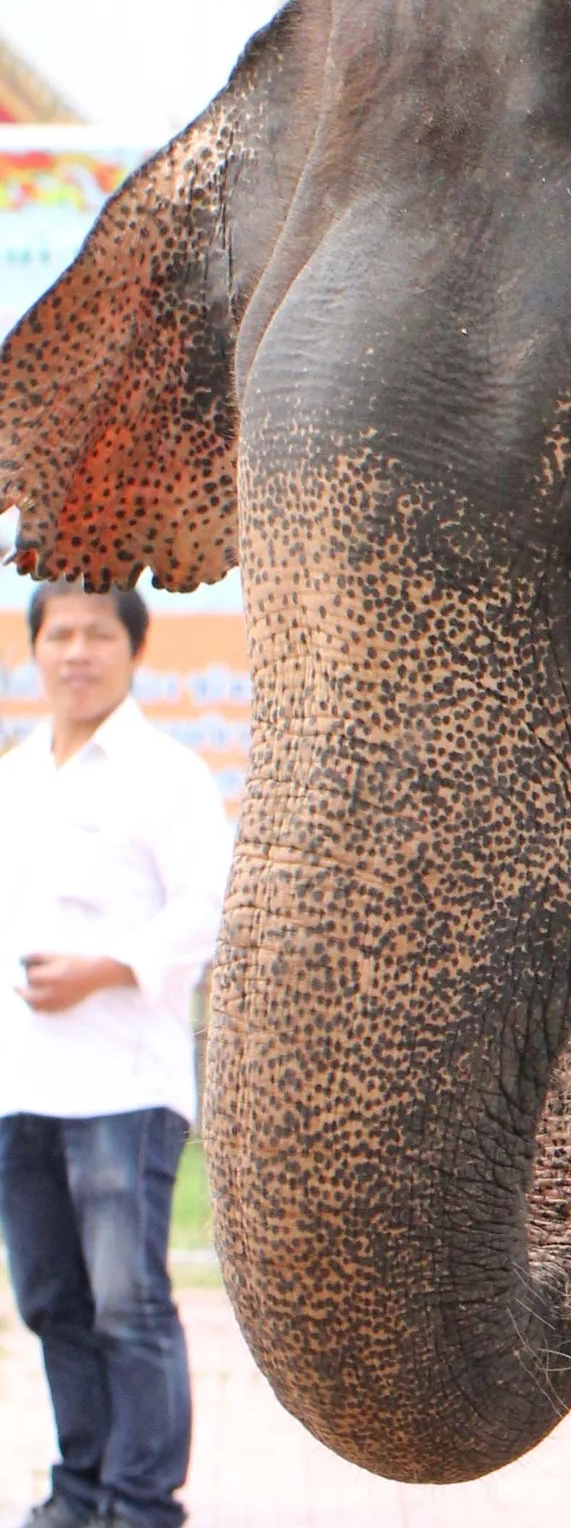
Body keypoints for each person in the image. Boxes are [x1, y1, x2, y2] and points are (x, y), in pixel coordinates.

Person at [0, 585, 232, 1528]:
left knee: (126, 1308)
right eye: (60, 634)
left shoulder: (164, 776)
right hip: (24, 1086)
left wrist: (105, 969)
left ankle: (142, 1506)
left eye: (99, 634)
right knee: (53, 1302)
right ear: (36, 648)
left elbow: (208, 909)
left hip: (121, 1090)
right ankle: (81, 1490)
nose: (77, 652)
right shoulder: (15, 778)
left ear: (134, 650)